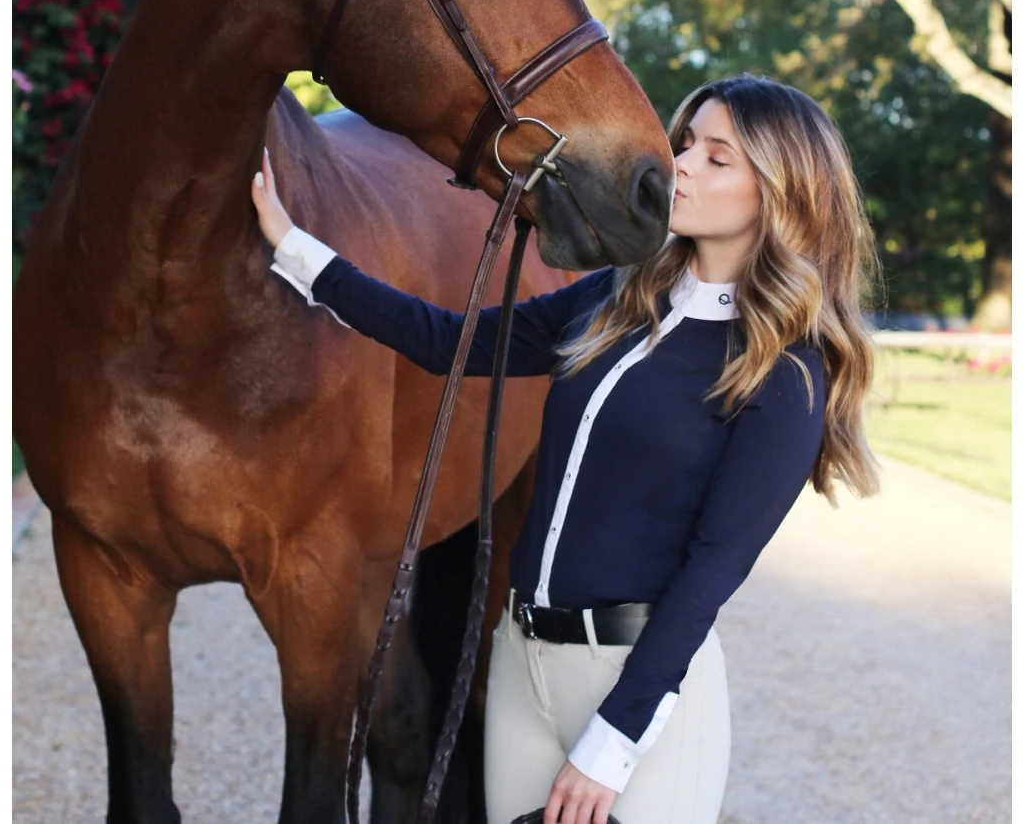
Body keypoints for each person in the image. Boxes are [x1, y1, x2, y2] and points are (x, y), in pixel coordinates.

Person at [251, 74, 882, 824]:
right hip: (523, 667)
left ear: (781, 194)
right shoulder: (614, 298)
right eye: (685, 144)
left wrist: (612, 744)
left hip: (635, 695)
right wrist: (293, 247)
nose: (679, 164)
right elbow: (445, 340)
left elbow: (709, 577)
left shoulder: (784, 374)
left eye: (717, 158)